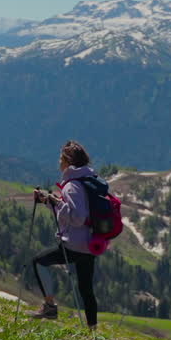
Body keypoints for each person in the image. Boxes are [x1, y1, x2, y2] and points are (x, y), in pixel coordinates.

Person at [30, 140, 101, 329]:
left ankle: (50, 306)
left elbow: (76, 217)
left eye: (61, 159)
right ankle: (92, 331)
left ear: (68, 161)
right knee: (86, 289)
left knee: (38, 262)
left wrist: (56, 202)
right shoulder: (89, 180)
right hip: (91, 242)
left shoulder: (72, 186)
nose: (58, 163)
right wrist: (50, 201)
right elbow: (71, 210)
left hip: (74, 244)